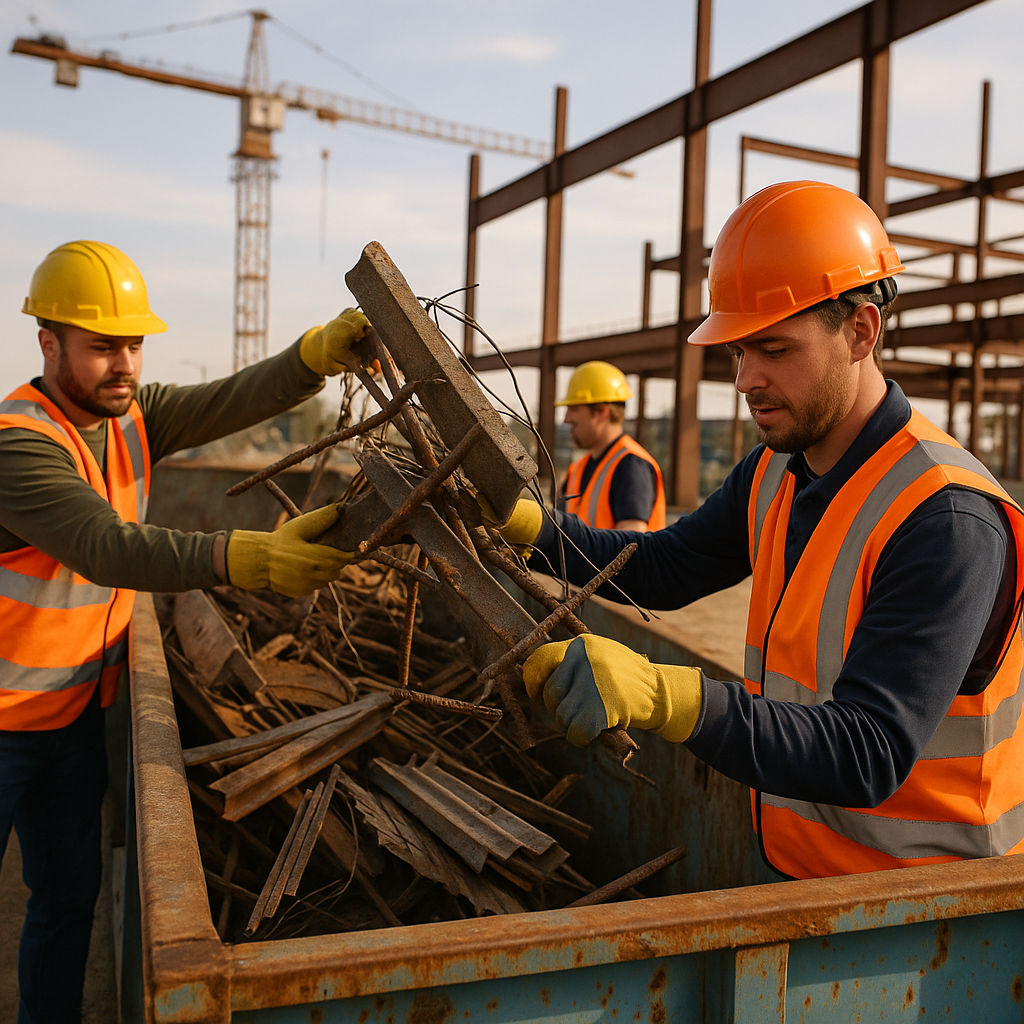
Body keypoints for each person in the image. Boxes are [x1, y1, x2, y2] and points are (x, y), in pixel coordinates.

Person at [498, 181, 1024, 880]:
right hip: (801, 878)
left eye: (773, 348)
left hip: (923, 923)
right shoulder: (775, 471)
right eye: (739, 351)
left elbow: (867, 750)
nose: (746, 378)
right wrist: (521, 525)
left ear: (861, 331)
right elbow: (664, 566)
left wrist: (668, 696)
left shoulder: (945, 520)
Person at [0, 240, 370, 1024]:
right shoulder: (17, 444)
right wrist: (250, 557)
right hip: (1, 726)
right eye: (102, 346)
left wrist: (312, 357)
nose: (123, 364)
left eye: (132, 344)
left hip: (68, 723)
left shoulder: (132, 415)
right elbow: (106, 545)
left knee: (67, 904)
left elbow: (229, 400)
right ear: (48, 343)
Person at [556, 361, 666, 531]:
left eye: (574, 408)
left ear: (601, 412)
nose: (566, 418)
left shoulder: (631, 465)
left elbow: (631, 545)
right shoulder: (577, 469)